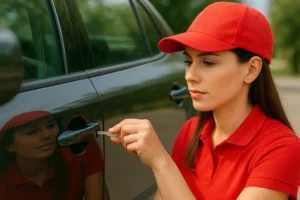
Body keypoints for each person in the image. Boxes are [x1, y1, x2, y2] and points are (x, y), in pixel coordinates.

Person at [108, 2, 300, 200]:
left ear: (251, 69)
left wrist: (160, 161)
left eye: (208, 62)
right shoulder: (190, 132)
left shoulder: (281, 148)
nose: (190, 75)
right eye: (188, 62)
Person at [0, 111, 110, 200]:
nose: (47, 135)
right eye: (32, 132)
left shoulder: (81, 151)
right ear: (9, 146)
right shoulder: (3, 179)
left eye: (51, 125)